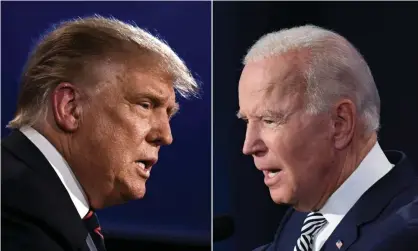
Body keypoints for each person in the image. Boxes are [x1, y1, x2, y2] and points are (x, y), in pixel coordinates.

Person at [1, 15, 198, 251]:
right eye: (145, 105)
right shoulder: (15, 207)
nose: (166, 136)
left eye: (169, 114)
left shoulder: (48, 204)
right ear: (71, 108)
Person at [237, 25, 418, 251]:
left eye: (270, 120)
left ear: (339, 124)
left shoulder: (405, 236)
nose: (249, 146)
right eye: (246, 121)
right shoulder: (307, 215)